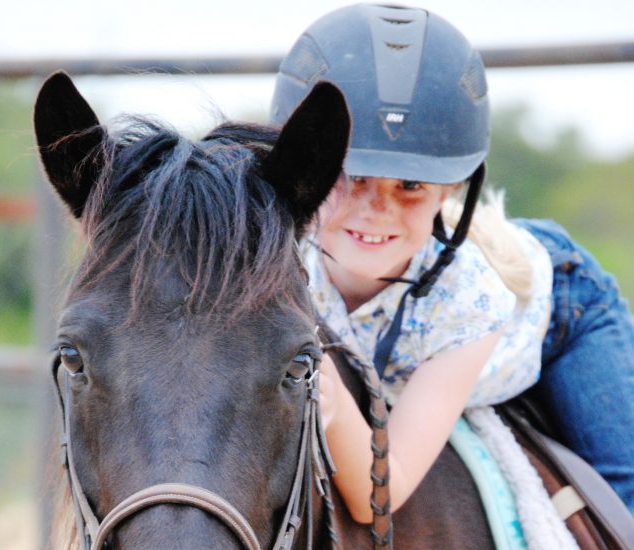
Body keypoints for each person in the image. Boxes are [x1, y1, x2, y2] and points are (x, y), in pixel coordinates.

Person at [270, 3, 634, 521]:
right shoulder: (276, 257)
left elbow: (382, 493)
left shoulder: (472, 299)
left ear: (452, 188)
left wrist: (324, 388)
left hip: (561, 309)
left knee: (625, 500)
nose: (377, 211)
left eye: (411, 185)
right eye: (351, 176)